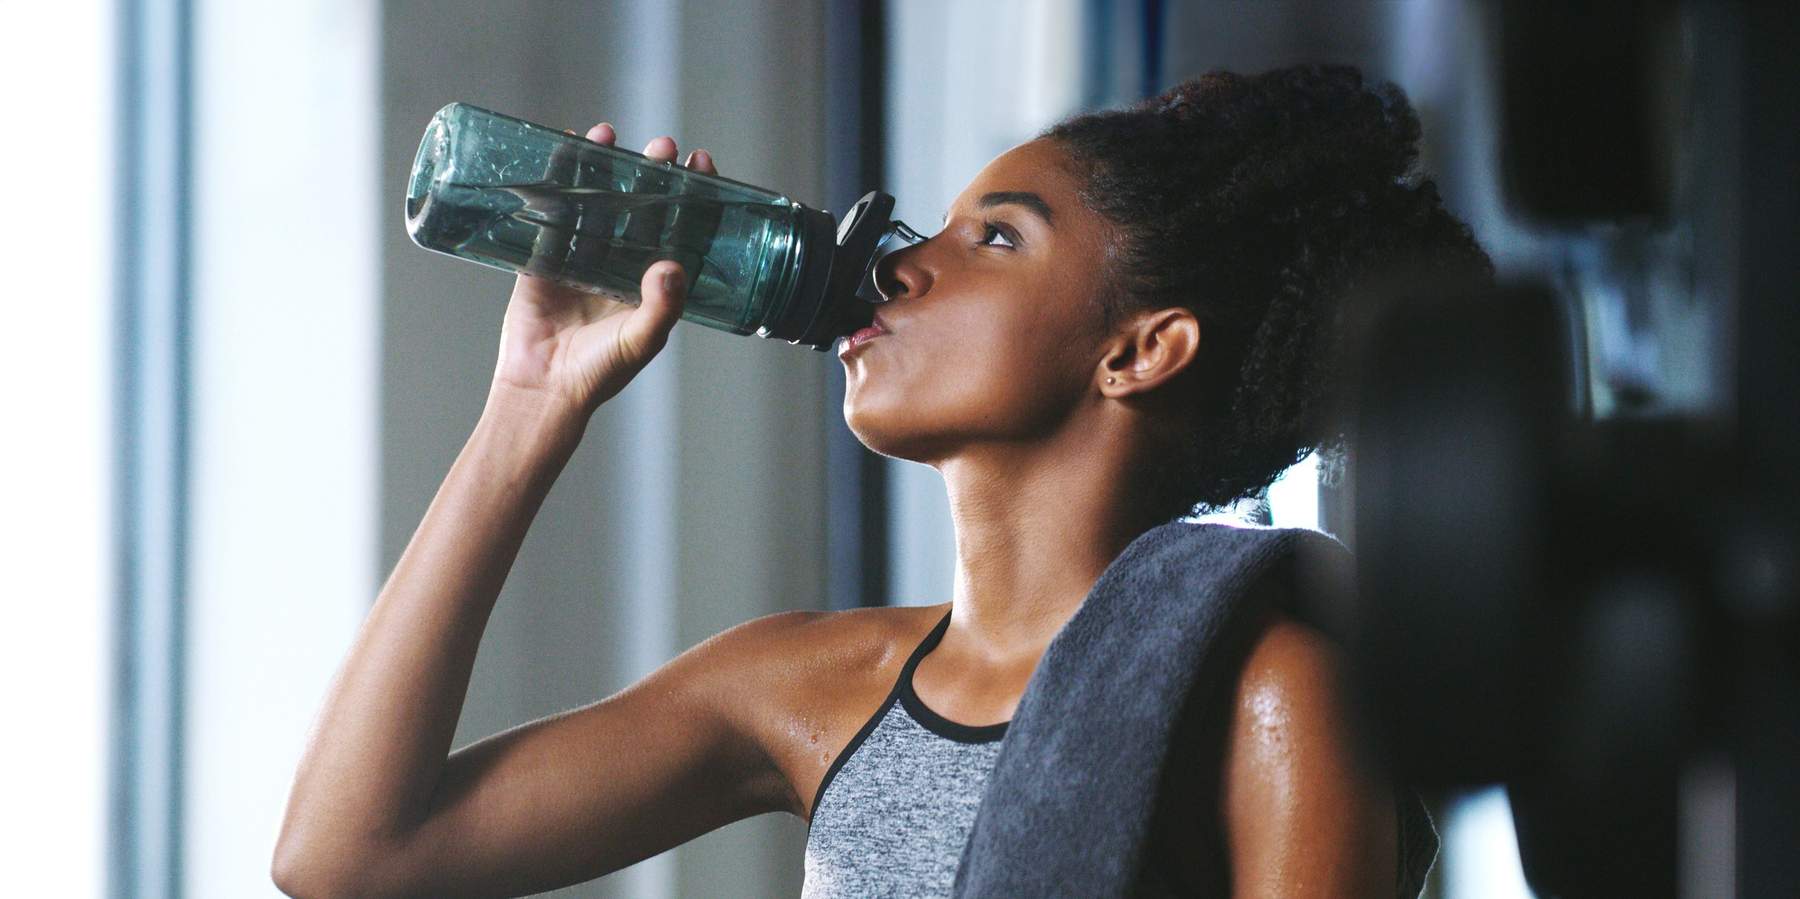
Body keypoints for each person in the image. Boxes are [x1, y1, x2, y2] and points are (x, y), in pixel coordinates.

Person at [273, 64, 1493, 898]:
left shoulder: (1273, 688)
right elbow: (350, 850)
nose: (904, 269)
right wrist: (529, 406)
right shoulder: (810, 684)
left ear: (1139, 349)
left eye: (996, 238)